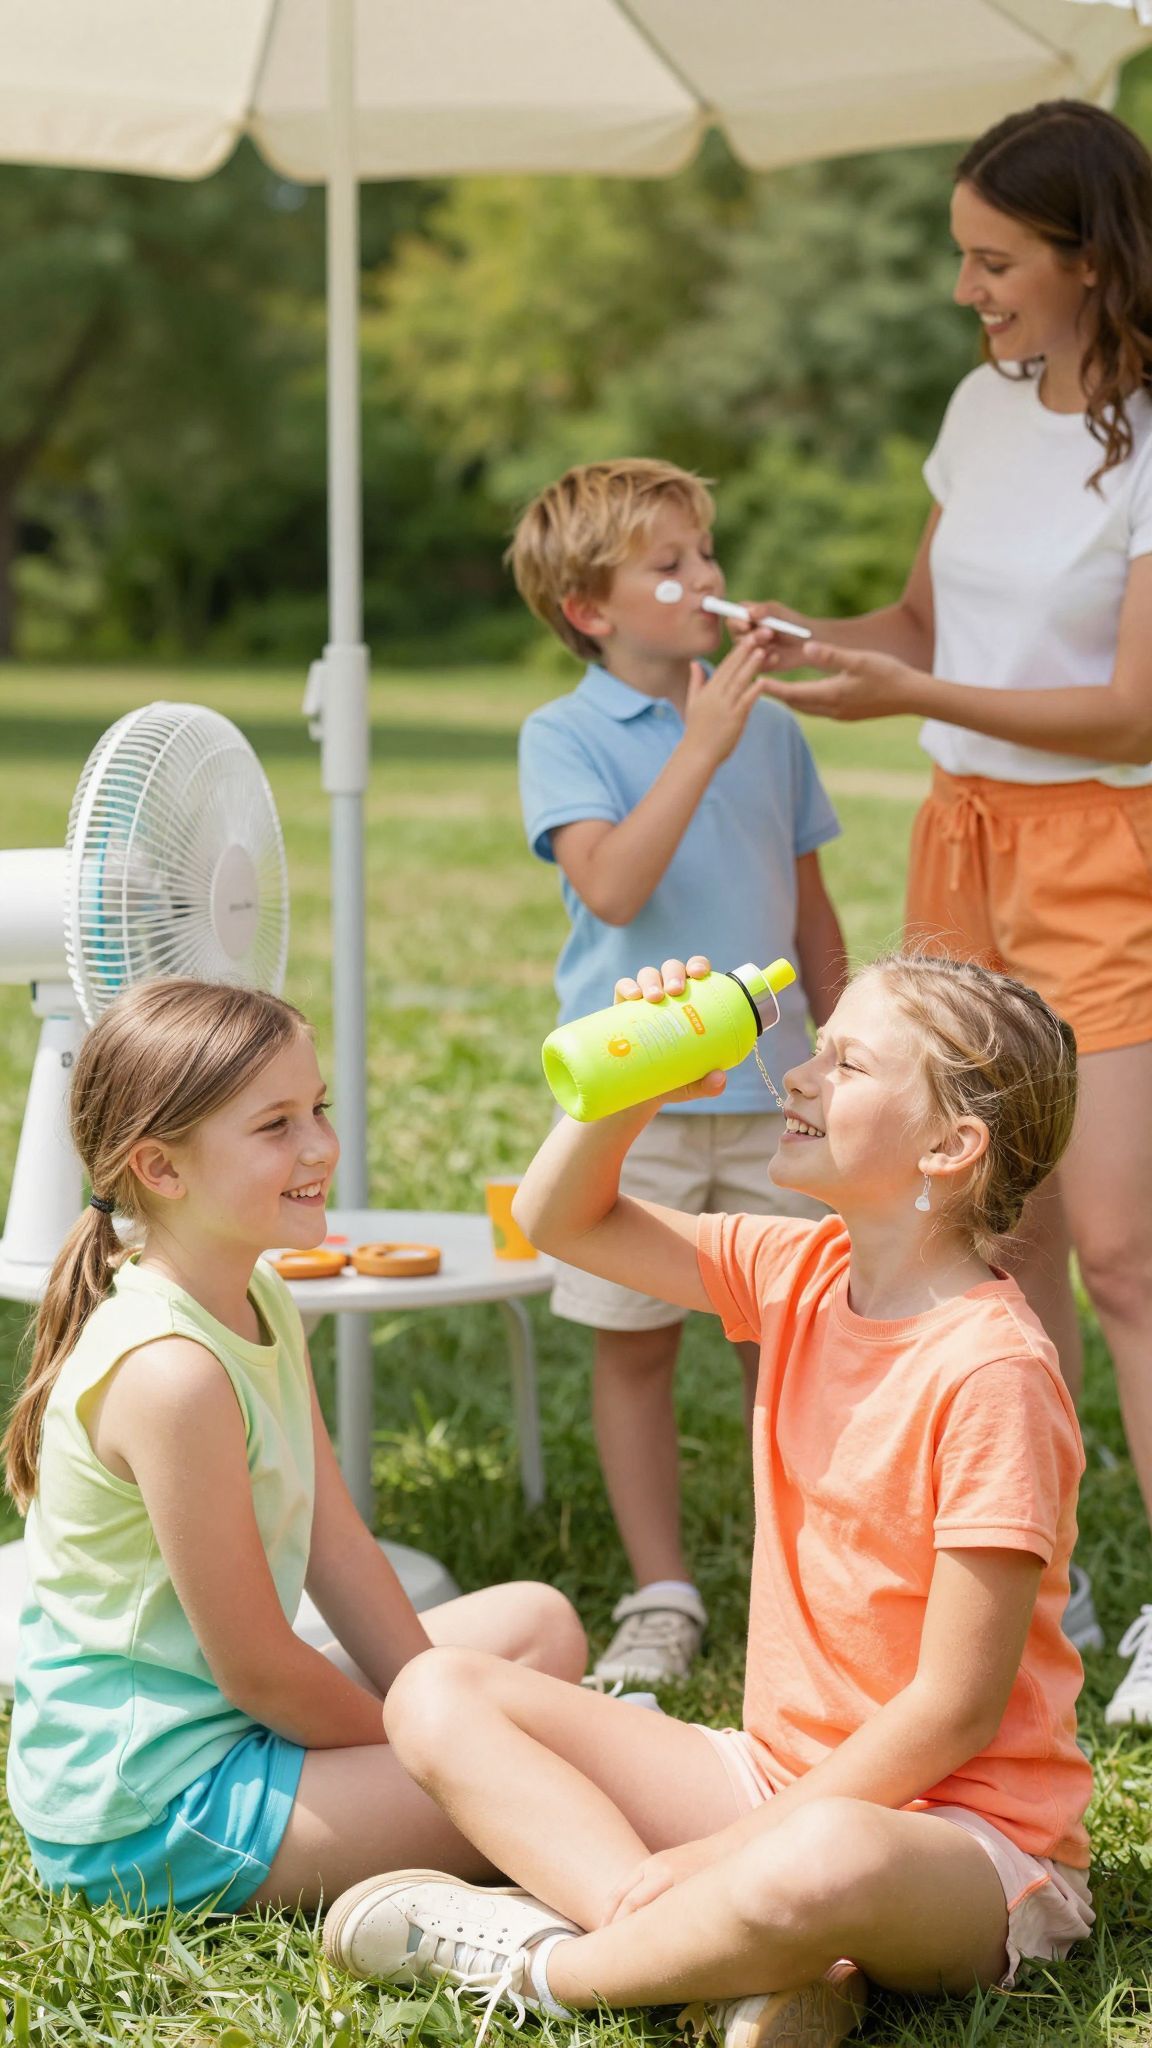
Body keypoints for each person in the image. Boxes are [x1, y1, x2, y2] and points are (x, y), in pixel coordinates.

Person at [322, 950, 1094, 2048]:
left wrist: (741, 1846)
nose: (798, 1078)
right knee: (436, 1692)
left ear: (948, 1145)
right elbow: (562, 1216)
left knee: (828, 1856)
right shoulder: (801, 1271)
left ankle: (560, 1963)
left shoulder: (993, 1372)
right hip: (769, 1774)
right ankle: (741, 1955)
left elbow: (955, 1708)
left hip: (965, 1838)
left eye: (846, 1062)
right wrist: (632, 1088)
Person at [733, 100, 1152, 1728]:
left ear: (1087, 259)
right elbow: (914, 617)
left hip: (1106, 846)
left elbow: (1131, 710)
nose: (969, 290)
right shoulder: (982, 408)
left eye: (996, 261)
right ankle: (1039, 1573)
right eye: (963, 258)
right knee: (1006, 1222)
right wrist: (801, 636)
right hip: (959, 839)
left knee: (1120, 1243)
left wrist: (911, 683)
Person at [2, 978, 585, 1914]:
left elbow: (336, 1545)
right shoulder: (169, 1374)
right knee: (544, 1781)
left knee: (539, 1624)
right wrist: (433, 1744)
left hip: (242, 1731)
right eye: (275, 1126)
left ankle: (459, 1840)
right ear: (160, 1167)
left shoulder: (260, 1294)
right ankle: (522, 1920)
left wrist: (434, 1706)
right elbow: (262, 1669)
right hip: (157, 1810)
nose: (321, 1145)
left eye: (315, 1108)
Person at [512, 458, 847, 1684]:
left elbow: (814, 915)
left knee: (799, 1341)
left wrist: (844, 1052)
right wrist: (700, 747)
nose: (705, 581)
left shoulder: (780, 735)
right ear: (587, 610)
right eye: (668, 564)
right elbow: (610, 883)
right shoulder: (563, 734)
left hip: (780, 1105)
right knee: (635, 1341)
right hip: (634, 1098)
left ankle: (805, 1575)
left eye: (704, 553)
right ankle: (664, 1593)